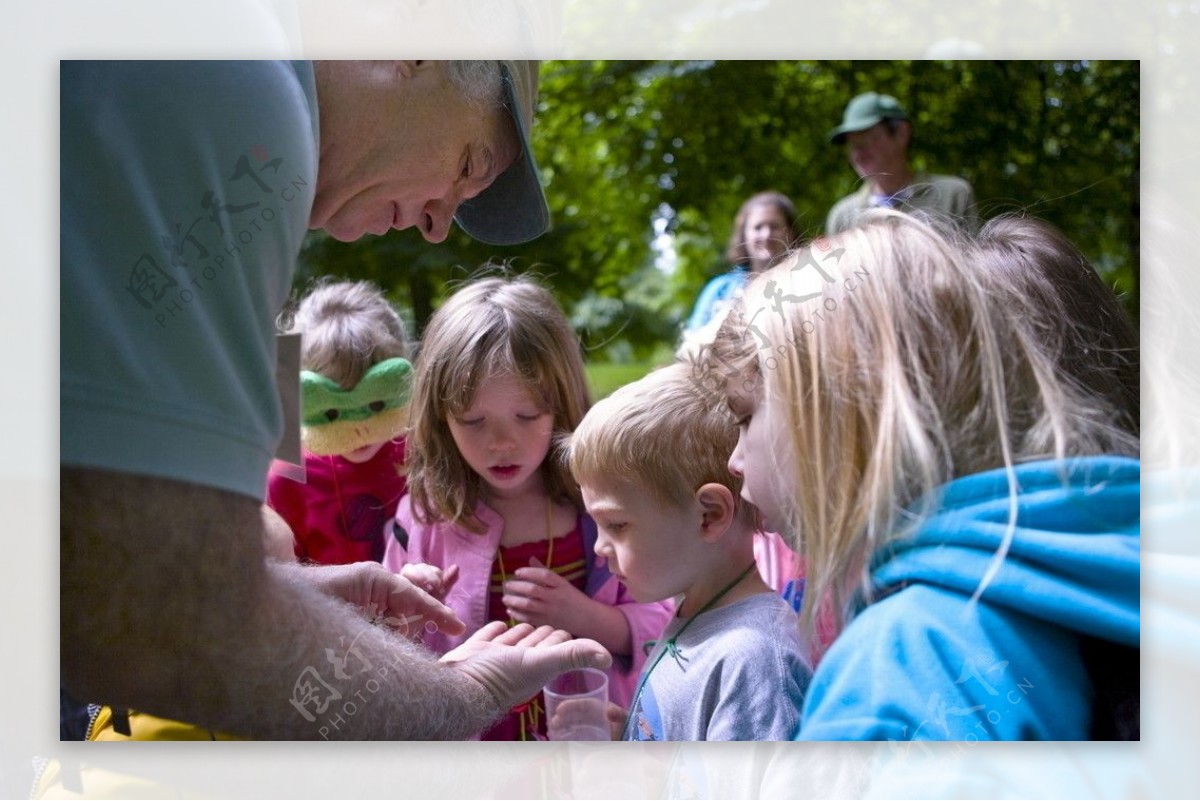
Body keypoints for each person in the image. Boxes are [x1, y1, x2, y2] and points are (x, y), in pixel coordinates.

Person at [60, 60, 607, 741]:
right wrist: (457, 693)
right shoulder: (252, 93)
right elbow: (169, 608)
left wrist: (294, 593)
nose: (441, 226)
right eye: (469, 165)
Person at [706, 210, 1139, 740]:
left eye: (746, 418)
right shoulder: (1117, 553)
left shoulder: (898, 670)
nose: (734, 459)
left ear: (845, 414)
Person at [382, 274, 673, 740]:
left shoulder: (602, 503)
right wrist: (404, 608)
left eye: (527, 416)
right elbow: (392, 654)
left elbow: (669, 620)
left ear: (562, 404)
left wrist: (589, 618)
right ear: (440, 418)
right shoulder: (425, 519)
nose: (502, 442)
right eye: (473, 420)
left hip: (586, 746)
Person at [567, 362, 812, 741]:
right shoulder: (700, 612)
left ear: (709, 516)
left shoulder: (752, 660)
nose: (600, 548)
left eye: (616, 525)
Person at [267, 279, 414, 565]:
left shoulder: (423, 456)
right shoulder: (287, 479)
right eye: (333, 412)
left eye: (374, 404)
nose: (359, 428)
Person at [825, 91, 978, 235]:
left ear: (902, 134)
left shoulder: (952, 196)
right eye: (852, 145)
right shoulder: (843, 216)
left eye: (867, 139)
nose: (859, 153)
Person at [681, 191, 802, 346]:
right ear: (744, 235)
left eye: (774, 226)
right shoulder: (720, 290)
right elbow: (690, 348)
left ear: (791, 232)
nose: (766, 234)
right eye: (758, 227)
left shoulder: (806, 285)